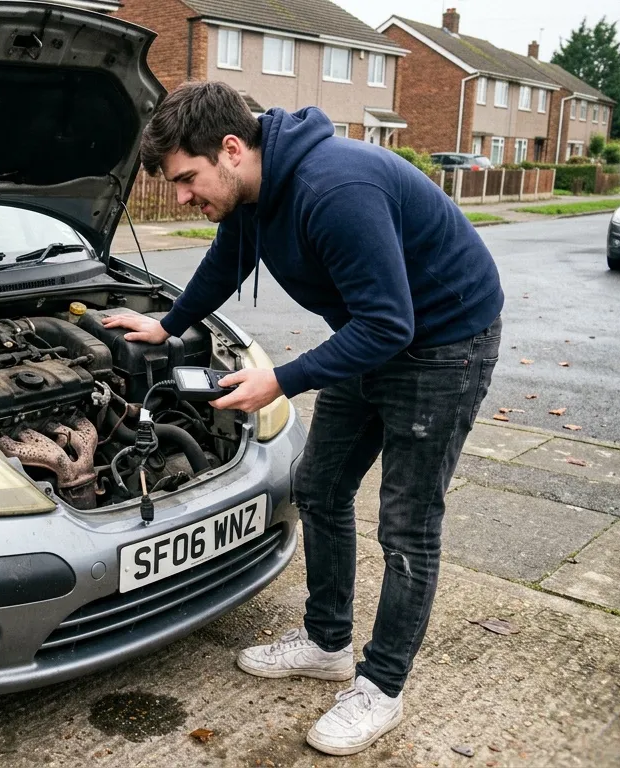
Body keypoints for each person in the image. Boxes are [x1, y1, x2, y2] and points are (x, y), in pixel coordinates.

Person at [102, 82, 504, 756]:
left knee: (407, 524)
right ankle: (327, 643)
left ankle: (382, 685)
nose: (180, 198)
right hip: (372, 333)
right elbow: (229, 258)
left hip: (443, 344)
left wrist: (280, 380)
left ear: (232, 149)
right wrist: (168, 325)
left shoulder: (332, 190)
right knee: (318, 488)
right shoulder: (259, 187)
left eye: (187, 179)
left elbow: (390, 323)